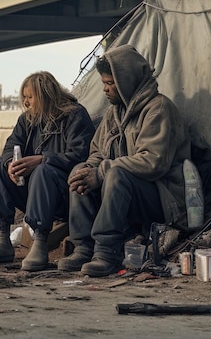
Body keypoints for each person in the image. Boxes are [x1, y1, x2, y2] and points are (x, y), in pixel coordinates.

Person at [57, 44, 192, 277]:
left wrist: (101, 172)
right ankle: (84, 247)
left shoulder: (158, 109)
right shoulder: (114, 112)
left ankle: (107, 252)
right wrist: (90, 169)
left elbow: (153, 162)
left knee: (115, 174)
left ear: (127, 81)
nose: (106, 90)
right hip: (124, 191)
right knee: (80, 169)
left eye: (111, 84)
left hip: (162, 197)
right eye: (104, 84)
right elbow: (98, 151)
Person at [0, 71, 96, 271]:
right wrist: (11, 164)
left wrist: (43, 158)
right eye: (25, 98)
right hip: (33, 194)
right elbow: (10, 147)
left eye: (30, 97)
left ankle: (40, 242)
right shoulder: (26, 120)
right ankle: (1, 240)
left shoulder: (75, 115)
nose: (26, 103)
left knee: (43, 170)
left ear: (46, 95)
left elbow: (81, 155)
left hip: (64, 195)